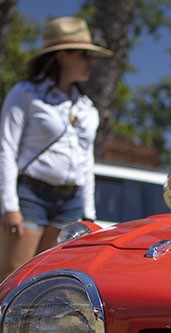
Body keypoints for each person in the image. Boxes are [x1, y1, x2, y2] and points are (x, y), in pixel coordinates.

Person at [0, 16, 112, 281]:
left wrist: (89, 214)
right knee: (13, 278)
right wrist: (9, 206)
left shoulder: (86, 107)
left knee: (48, 279)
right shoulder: (26, 94)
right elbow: (6, 148)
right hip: (31, 196)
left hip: (71, 202)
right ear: (62, 55)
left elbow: (86, 162)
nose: (90, 62)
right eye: (84, 54)